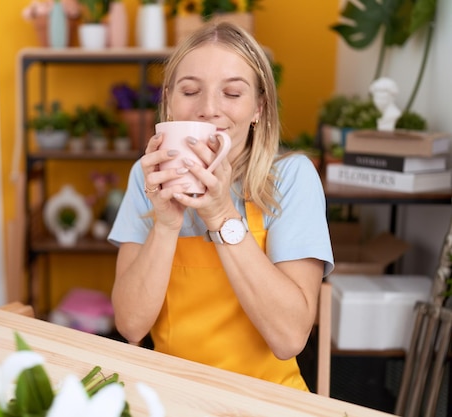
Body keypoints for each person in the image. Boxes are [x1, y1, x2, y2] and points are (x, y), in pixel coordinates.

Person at [107, 22, 334, 391]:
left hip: (268, 401)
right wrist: (165, 224)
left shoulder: (292, 177)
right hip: (174, 396)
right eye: (190, 90)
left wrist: (221, 214)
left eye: (232, 93)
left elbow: (290, 338)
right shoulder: (145, 177)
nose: (208, 109)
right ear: (168, 101)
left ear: (259, 107)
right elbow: (131, 326)